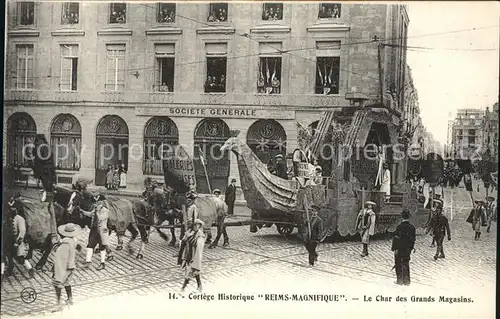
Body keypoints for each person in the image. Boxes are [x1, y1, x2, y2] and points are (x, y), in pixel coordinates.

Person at [52, 223, 82, 308]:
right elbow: (79, 248)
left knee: (57, 282)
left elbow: (60, 257)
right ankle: (70, 299)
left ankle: (58, 304)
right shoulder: (73, 241)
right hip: (71, 265)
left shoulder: (64, 243)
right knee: (67, 282)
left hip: (64, 266)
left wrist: (55, 244)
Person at [3, 201, 34, 277]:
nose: (12, 209)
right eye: (11, 208)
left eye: (14, 208)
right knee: (8, 256)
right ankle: (10, 269)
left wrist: (18, 242)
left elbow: (22, 231)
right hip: (8, 241)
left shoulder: (20, 219)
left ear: (17, 209)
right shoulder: (7, 217)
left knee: (20, 257)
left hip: (16, 241)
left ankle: (30, 270)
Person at [80, 197, 110, 270]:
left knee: (102, 247)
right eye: (96, 203)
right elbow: (90, 214)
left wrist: (97, 211)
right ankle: (88, 262)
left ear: (102, 203)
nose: (96, 204)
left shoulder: (105, 211)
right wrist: (82, 211)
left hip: (101, 231)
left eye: (98, 203)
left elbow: (101, 218)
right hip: (94, 229)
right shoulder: (96, 210)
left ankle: (102, 263)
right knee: (90, 245)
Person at [180, 219, 206, 293]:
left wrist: (190, 237)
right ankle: (199, 286)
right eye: (194, 225)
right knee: (194, 271)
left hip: (195, 255)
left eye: (197, 225)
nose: (195, 226)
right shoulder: (190, 232)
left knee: (190, 272)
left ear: (199, 226)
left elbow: (198, 244)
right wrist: (185, 237)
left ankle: (183, 288)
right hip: (188, 254)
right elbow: (183, 241)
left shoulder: (201, 234)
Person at [391, 209, 416, 285]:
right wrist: (411, 247)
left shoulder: (400, 227)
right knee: (406, 264)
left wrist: (394, 248)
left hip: (400, 249)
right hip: (407, 249)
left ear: (402, 217)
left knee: (398, 264)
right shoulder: (412, 228)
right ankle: (407, 281)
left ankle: (400, 280)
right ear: (409, 217)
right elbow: (413, 239)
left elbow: (396, 238)